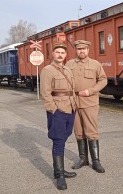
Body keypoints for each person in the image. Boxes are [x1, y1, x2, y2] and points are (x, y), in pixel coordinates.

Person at [65, 40, 107, 173]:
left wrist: (91, 91)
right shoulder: (69, 64)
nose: (81, 51)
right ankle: (83, 158)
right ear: (76, 50)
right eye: (79, 49)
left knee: (91, 131)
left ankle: (96, 162)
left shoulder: (95, 64)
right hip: (74, 102)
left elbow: (103, 80)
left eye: (84, 49)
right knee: (78, 131)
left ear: (88, 50)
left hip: (89, 101)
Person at [40, 43, 77, 190]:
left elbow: (72, 89)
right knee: (58, 140)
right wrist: (53, 110)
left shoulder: (67, 69)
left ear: (65, 55)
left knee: (65, 136)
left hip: (70, 109)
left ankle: (60, 170)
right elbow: (45, 92)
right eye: (57, 52)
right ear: (53, 54)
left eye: (62, 52)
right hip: (58, 110)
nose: (60, 55)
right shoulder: (47, 70)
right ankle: (59, 175)